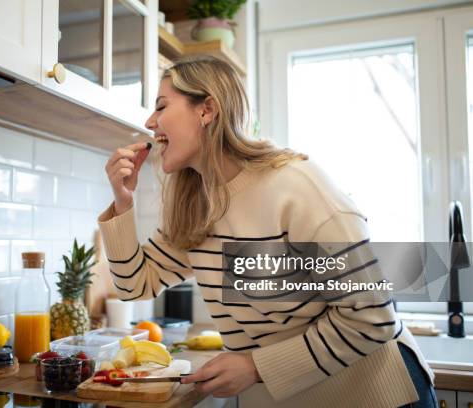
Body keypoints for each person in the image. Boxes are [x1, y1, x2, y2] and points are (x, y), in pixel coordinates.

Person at [97, 55, 437, 408]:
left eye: (162, 106)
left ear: (207, 110)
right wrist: (123, 203)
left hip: (375, 397)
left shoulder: (296, 187)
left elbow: (372, 317)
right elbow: (135, 284)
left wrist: (256, 367)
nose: (150, 122)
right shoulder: (197, 203)